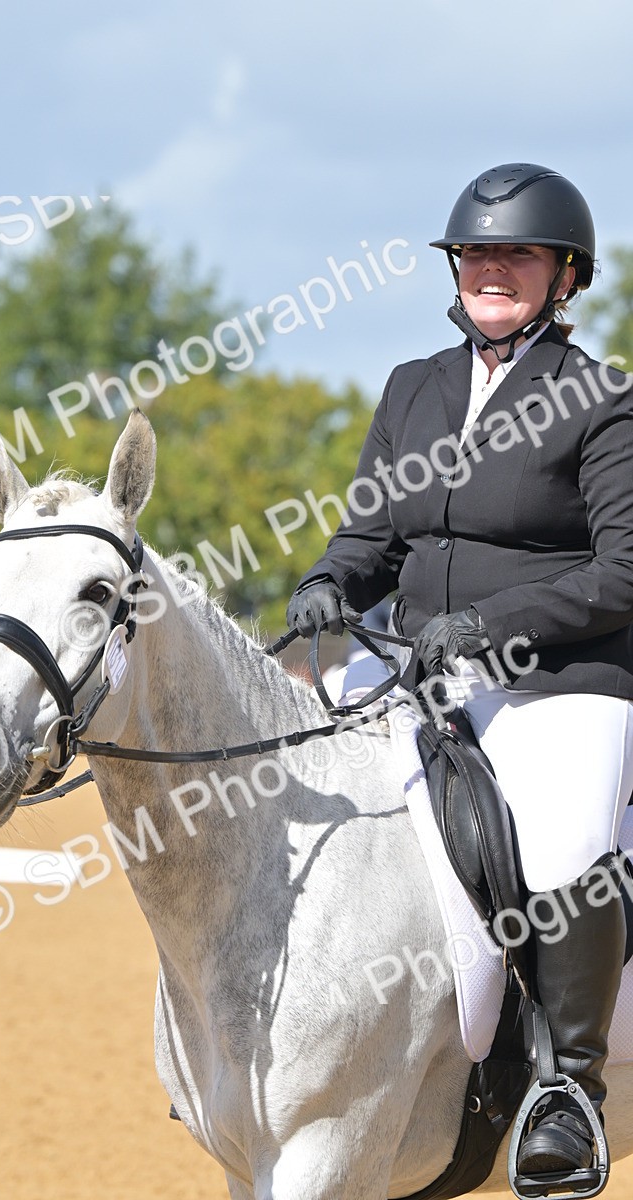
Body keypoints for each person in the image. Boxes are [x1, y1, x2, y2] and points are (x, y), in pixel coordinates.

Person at [286, 162, 633, 1181]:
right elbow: (373, 533)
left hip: (556, 681)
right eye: (476, 253)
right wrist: (328, 580)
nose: (492, 269)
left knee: (565, 845)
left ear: (563, 276)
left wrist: (494, 622)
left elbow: (623, 570)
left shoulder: (602, 400)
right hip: (416, 668)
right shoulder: (413, 387)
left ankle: (569, 1090)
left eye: (516, 254)